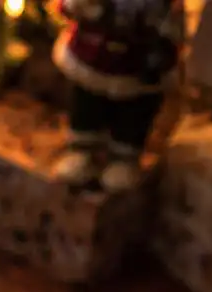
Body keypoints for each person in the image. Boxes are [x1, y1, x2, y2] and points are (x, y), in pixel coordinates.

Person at [51, 0, 184, 191]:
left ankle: (124, 158)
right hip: (94, 56)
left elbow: (172, 28)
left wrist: (164, 47)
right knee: (87, 102)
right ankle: (82, 149)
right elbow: (68, 8)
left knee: (134, 112)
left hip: (139, 65)